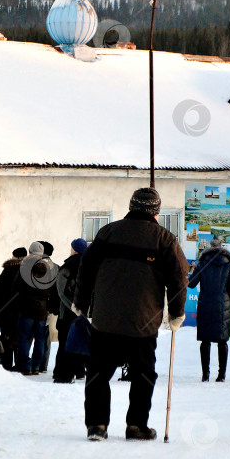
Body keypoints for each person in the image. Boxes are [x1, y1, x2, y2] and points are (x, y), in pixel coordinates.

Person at [74, 187, 189, 442]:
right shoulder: (165, 239)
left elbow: (86, 268)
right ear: (156, 212)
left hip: (106, 320)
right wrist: (177, 314)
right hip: (143, 322)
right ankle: (137, 426)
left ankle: (97, 425)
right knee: (143, 374)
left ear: (131, 206)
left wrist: (80, 302)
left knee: (98, 373)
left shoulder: (108, 232)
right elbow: (179, 279)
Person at [188, 238, 230, 383]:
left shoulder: (202, 264)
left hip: (205, 306)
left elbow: (191, 284)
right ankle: (221, 375)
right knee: (222, 342)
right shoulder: (228, 266)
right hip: (223, 307)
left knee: (205, 341)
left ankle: (205, 374)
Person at [13, 241, 54, 375]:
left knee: (24, 337)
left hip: (26, 308)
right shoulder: (49, 269)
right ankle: (36, 366)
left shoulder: (24, 267)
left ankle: (25, 366)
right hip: (42, 309)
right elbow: (53, 289)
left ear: (30, 252)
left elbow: (16, 288)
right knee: (40, 338)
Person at [53, 238, 88, 384]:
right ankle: (79, 370)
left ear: (74, 249)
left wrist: (73, 306)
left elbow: (61, 291)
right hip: (83, 313)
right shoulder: (89, 266)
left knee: (64, 342)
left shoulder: (67, 267)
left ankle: (62, 372)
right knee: (79, 341)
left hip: (67, 313)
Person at [0, 247, 27, 371]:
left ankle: (6, 364)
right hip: (24, 309)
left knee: (7, 337)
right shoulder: (28, 271)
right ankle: (21, 363)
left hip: (7, 309)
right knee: (21, 337)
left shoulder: (7, 271)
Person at [38, 240, 57, 373]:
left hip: (38, 305)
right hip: (50, 306)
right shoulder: (56, 267)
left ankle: (34, 364)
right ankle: (43, 364)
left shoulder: (36, 267)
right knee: (45, 337)